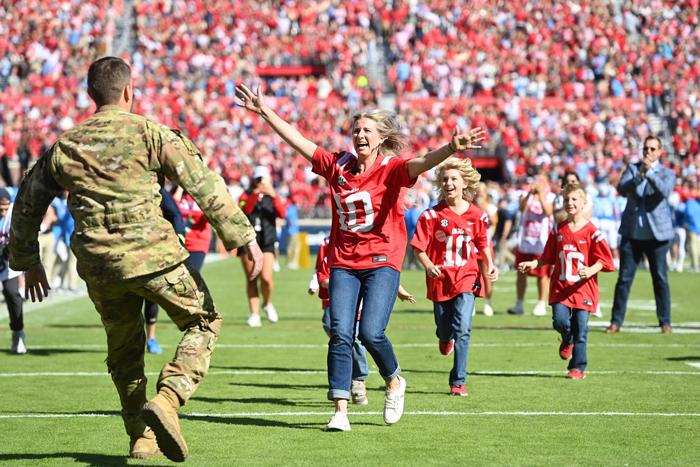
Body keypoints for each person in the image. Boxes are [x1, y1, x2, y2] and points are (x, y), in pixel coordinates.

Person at [9, 57, 263, 462]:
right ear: (129, 91)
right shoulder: (150, 133)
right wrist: (243, 238)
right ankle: (168, 398)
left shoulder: (66, 144)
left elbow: (26, 202)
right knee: (204, 321)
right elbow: (202, 184)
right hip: (154, 256)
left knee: (125, 352)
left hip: (99, 266)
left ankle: (140, 438)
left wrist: (27, 260)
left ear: (90, 95)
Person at [235, 83, 485, 431]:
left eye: (367, 129)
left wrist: (449, 148)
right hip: (343, 262)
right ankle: (340, 410)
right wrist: (264, 111)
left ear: (381, 137)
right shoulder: (337, 164)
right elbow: (300, 142)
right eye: (356, 130)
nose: (359, 134)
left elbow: (422, 162)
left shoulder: (392, 168)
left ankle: (394, 379)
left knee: (370, 332)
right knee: (340, 332)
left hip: (383, 261)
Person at [411, 157, 498, 395]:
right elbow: (418, 246)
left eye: (453, 179)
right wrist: (428, 265)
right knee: (445, 327)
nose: (448, 183)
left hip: (467, 276)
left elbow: (483, 243)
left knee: (463, 327)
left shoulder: (478, 216)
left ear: (465, 183)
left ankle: (458, 380)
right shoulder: (431, 215)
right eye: (445, 179)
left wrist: (490, 264)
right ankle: (443, 336)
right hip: (440, 279)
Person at [518, 184, 614, 379]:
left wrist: (591, 269)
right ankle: (567, 338)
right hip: (561, 287)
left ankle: (578, 367)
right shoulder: (557, 229)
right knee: (560, 321)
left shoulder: (592, 232)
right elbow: (548, 257)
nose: (570, 203)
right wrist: (533, 264)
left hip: (583, 289)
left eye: (574, 200)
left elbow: (606, 260)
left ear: (584, 203)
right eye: (567, 200)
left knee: (581, 327)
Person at [309, 235, 416, 406]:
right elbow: (321, 270)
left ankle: (358, 379)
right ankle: (340, 409)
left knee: (362, 336)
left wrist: (399, 288)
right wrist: (326, 283)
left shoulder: (373, 240)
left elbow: (381, 272)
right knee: (337, 334)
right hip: (335, 297)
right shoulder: (329, 242)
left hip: (361, 299)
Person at [606, 135, 675, 334]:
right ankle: (616, 322)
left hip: (657, 236)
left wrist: (650, 173)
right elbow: (621, 189)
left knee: (660, 279)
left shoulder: (667, 172)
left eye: (653, 149)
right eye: (646, 148)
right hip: (632, 234)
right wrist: (640, 176)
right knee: (624, 280)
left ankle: (665, 322)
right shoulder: (633, 169)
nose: (648, 152)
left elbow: (664, 192)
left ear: (660, 152)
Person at [238, 165, 286, 327]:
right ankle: (254, 314)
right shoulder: (246, 194)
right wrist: (254, 195)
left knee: (266, 278)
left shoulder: (272, 196)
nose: (260, 182)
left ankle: (267, 303)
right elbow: (245, 210)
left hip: (267, 240)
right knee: (252, 277)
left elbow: (282, 213)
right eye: (257, 179)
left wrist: (273, 195)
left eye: (263, 179)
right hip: (248, 241)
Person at [143, 188, 187, 355]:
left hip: (154, 247)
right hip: (128, 247)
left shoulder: (156, 187)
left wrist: (179, 240)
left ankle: (150, 339)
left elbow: (175, 214)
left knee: (152, 293)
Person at [508, 170, 555, 316]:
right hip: (525, 239)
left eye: (541, 180)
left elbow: (548, 211)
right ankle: (519, 303)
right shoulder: (525, 194)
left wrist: (540, 195)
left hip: (541, 241)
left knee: (542, 274)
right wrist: (529, 194)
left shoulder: (550, 196)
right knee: (522, 272)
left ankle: (541, 303)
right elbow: (521, 208)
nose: (538, 183)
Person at [0, 189, 25, 353]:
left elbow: (22, 235)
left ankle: (18, 333)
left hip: (7, 261)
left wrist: (9, 249)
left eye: (5, 208)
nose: (3, 212)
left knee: (12, 294)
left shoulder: (15, 213)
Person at [474, 182, 497, 316]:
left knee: (487, 275)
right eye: (477, 194)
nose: (479, 197)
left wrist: (486, 210)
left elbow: (494, 222)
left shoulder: (491, 208)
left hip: (485, 246)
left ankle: (488, 302)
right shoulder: (470, 207)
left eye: (481, 193)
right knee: (471, 275)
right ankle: (472, 303)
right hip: (472, 246)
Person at [684, 186, 700, 272]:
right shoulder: (697, 204)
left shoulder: (689, 203)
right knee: (698, 247)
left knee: (693, 247)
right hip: (698, 227)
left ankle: (695, 265)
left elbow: (688, 214)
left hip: (692, 227)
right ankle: (697, 264)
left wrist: (685, 222)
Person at [285, 197, 300, 270]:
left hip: (293, 230)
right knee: (293, 246)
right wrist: (289, 220)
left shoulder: (293, 208)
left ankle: (292, 262)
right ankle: (291, 262)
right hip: (292, 231)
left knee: (293, 246)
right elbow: (286, 215)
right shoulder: (291, 208)